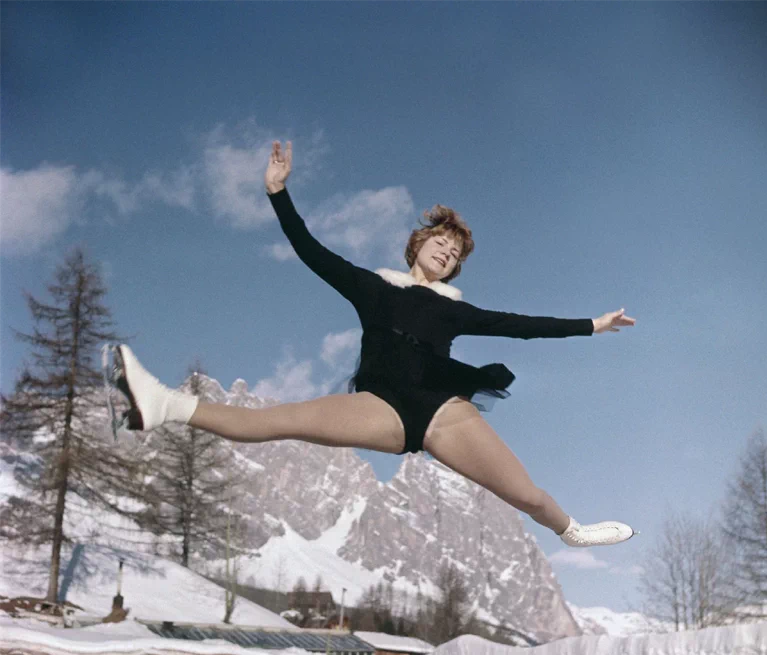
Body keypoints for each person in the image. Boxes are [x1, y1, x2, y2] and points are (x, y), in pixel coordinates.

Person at [105, 141, 638, 551]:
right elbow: (311, 250)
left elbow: (520, 324)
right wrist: (277, 192)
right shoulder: (372, 287)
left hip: (443, 411)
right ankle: (162, 405)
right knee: (279, 420)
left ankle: (573, 531)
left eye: (454, 255)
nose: (446, 253)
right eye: (440, 244)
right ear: (417, 245)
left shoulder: (452, 308)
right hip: (380, 405)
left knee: (525, 495)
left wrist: (591, 325)